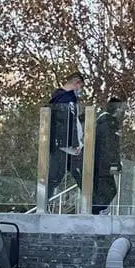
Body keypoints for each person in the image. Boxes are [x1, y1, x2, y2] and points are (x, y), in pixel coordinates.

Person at [47, 72, 85, 201]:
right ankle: (92, 207)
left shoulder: (57, 98)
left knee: (58, 176)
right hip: (67, 146)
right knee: (80, 174)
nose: (80, 91)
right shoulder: (67, 100)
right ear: (76, 83)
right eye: (80, 88)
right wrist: (74, 143)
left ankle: (44, 204)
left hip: (63, 145)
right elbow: (68, 124)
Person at [91, 97, 124, 215]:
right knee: (110, 190)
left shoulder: (100, 121)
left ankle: (96, 211)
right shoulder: (109, 123)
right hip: (104, 164)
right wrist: (114, 164)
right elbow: (110, 145)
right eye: (121, 108)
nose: (122, 112)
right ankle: (96, 212)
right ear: (117, 109)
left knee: (104, 191)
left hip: (98, 163)